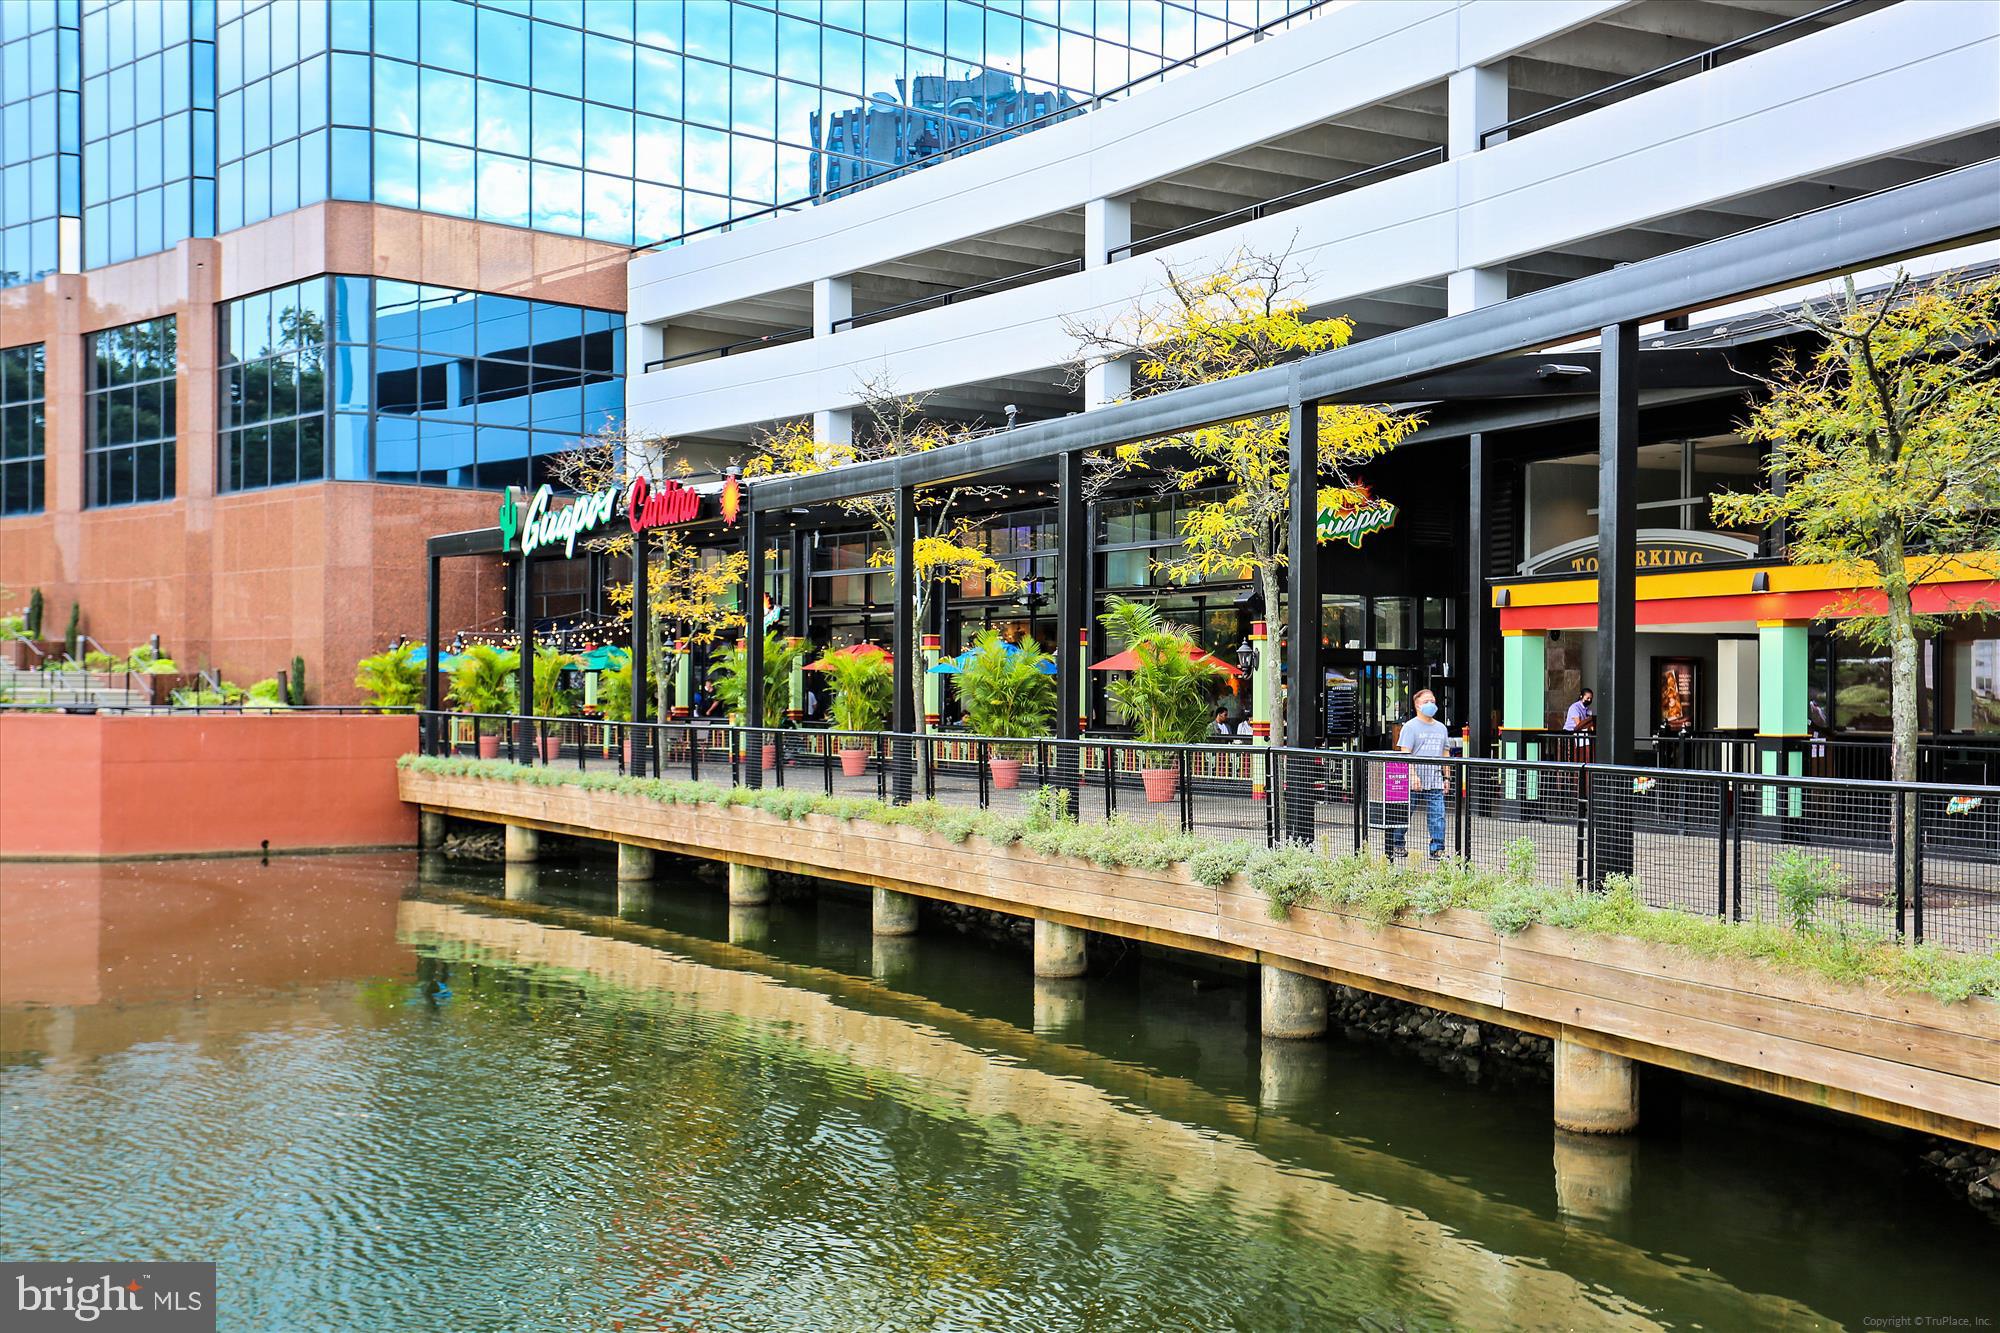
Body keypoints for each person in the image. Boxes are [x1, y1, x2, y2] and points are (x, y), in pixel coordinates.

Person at [1391, 689, 1451, 859]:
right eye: (1426, 702)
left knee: (1438, 816)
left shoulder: (1441, 728)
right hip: (1413, 781)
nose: (1430, 704)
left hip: (1435, 780)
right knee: (1403, 815)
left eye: (1432, 700)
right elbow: (1405, 753)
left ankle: (1437, 849)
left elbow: (1445, 753)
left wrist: (1446, 777)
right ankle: (1397, 844)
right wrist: (1412, 775)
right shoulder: (1410, 727)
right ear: (1417, 705)